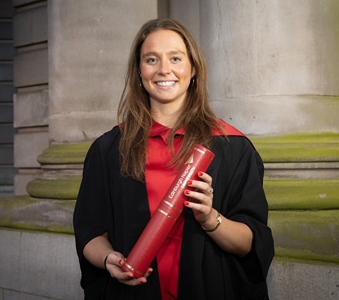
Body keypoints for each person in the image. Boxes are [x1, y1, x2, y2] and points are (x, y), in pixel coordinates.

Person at [73, 18, 274, 300]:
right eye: (151, 59)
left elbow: (251, 243)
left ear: (193, 69)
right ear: (139, 72)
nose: (163, 69)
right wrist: (109, 260)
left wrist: (209, 217)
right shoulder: (109, 149)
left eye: (176, 58)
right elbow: (89, 232)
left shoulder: (233, 147)